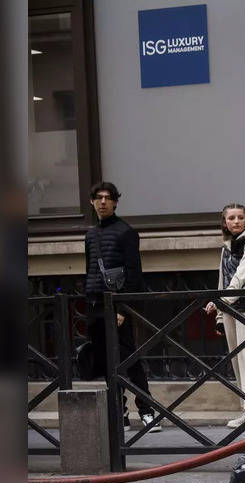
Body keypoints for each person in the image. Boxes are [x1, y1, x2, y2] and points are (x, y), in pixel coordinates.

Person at [83, 181, 160, 432]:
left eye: (108, 198)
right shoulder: (90, 235)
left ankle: (147, 410)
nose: (103, 202)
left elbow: (135, 275)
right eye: (98, 198)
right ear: (92, 202)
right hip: (95, 302)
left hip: (117, 304)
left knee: (130, 358)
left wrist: (122, 309)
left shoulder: (126, 232)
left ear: (115, 202)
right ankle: (120, 412)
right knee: (106, 360)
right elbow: (90, 269)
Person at [204, 203, 245, 432]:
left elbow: (242, 275)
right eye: (231, 218)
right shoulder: (227, 247)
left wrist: (222, 301)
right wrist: (220, 315)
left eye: (240, 217)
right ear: (224, 222)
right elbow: (223, 279)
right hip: (231, 307)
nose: (236, 221)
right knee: (236, 360)